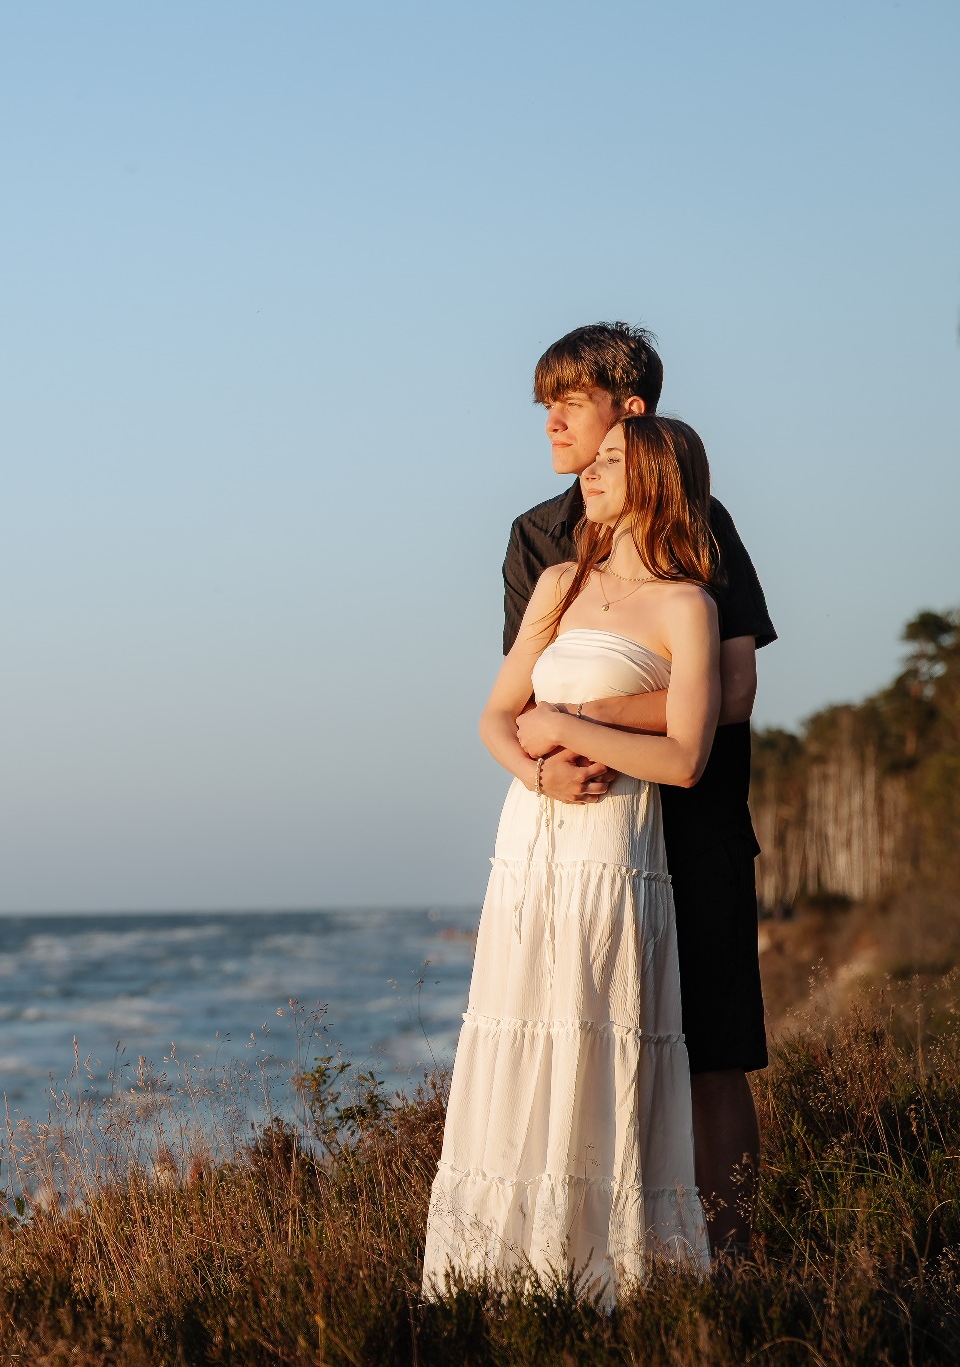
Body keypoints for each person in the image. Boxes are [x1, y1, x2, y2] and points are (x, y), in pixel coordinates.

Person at [421, 412, 718, 1303]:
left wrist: (568, 725)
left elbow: (685, 757)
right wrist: (537, 770)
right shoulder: (558, 582)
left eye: (613, 460)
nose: (590, 470)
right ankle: (493, 1281)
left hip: (612, 849)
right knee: (518, 1031)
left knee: (594, 1034)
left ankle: (602, 1280)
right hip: (531, 841)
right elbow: (494, 716)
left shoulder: (687, 605)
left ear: (656, 479)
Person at [502, 322, 775, 1255]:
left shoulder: (703, 522)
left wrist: (591, 718)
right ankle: (590, 1261)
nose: (552, 423)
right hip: (584, 836)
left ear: (632, 412)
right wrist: (543, 763)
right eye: (545, 405)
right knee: (574, 1047)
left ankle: (732, 1274)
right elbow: (522, 699)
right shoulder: (537, 539)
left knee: (712, 1054)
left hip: (693, 828)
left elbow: (731, 691)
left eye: (569, 403)